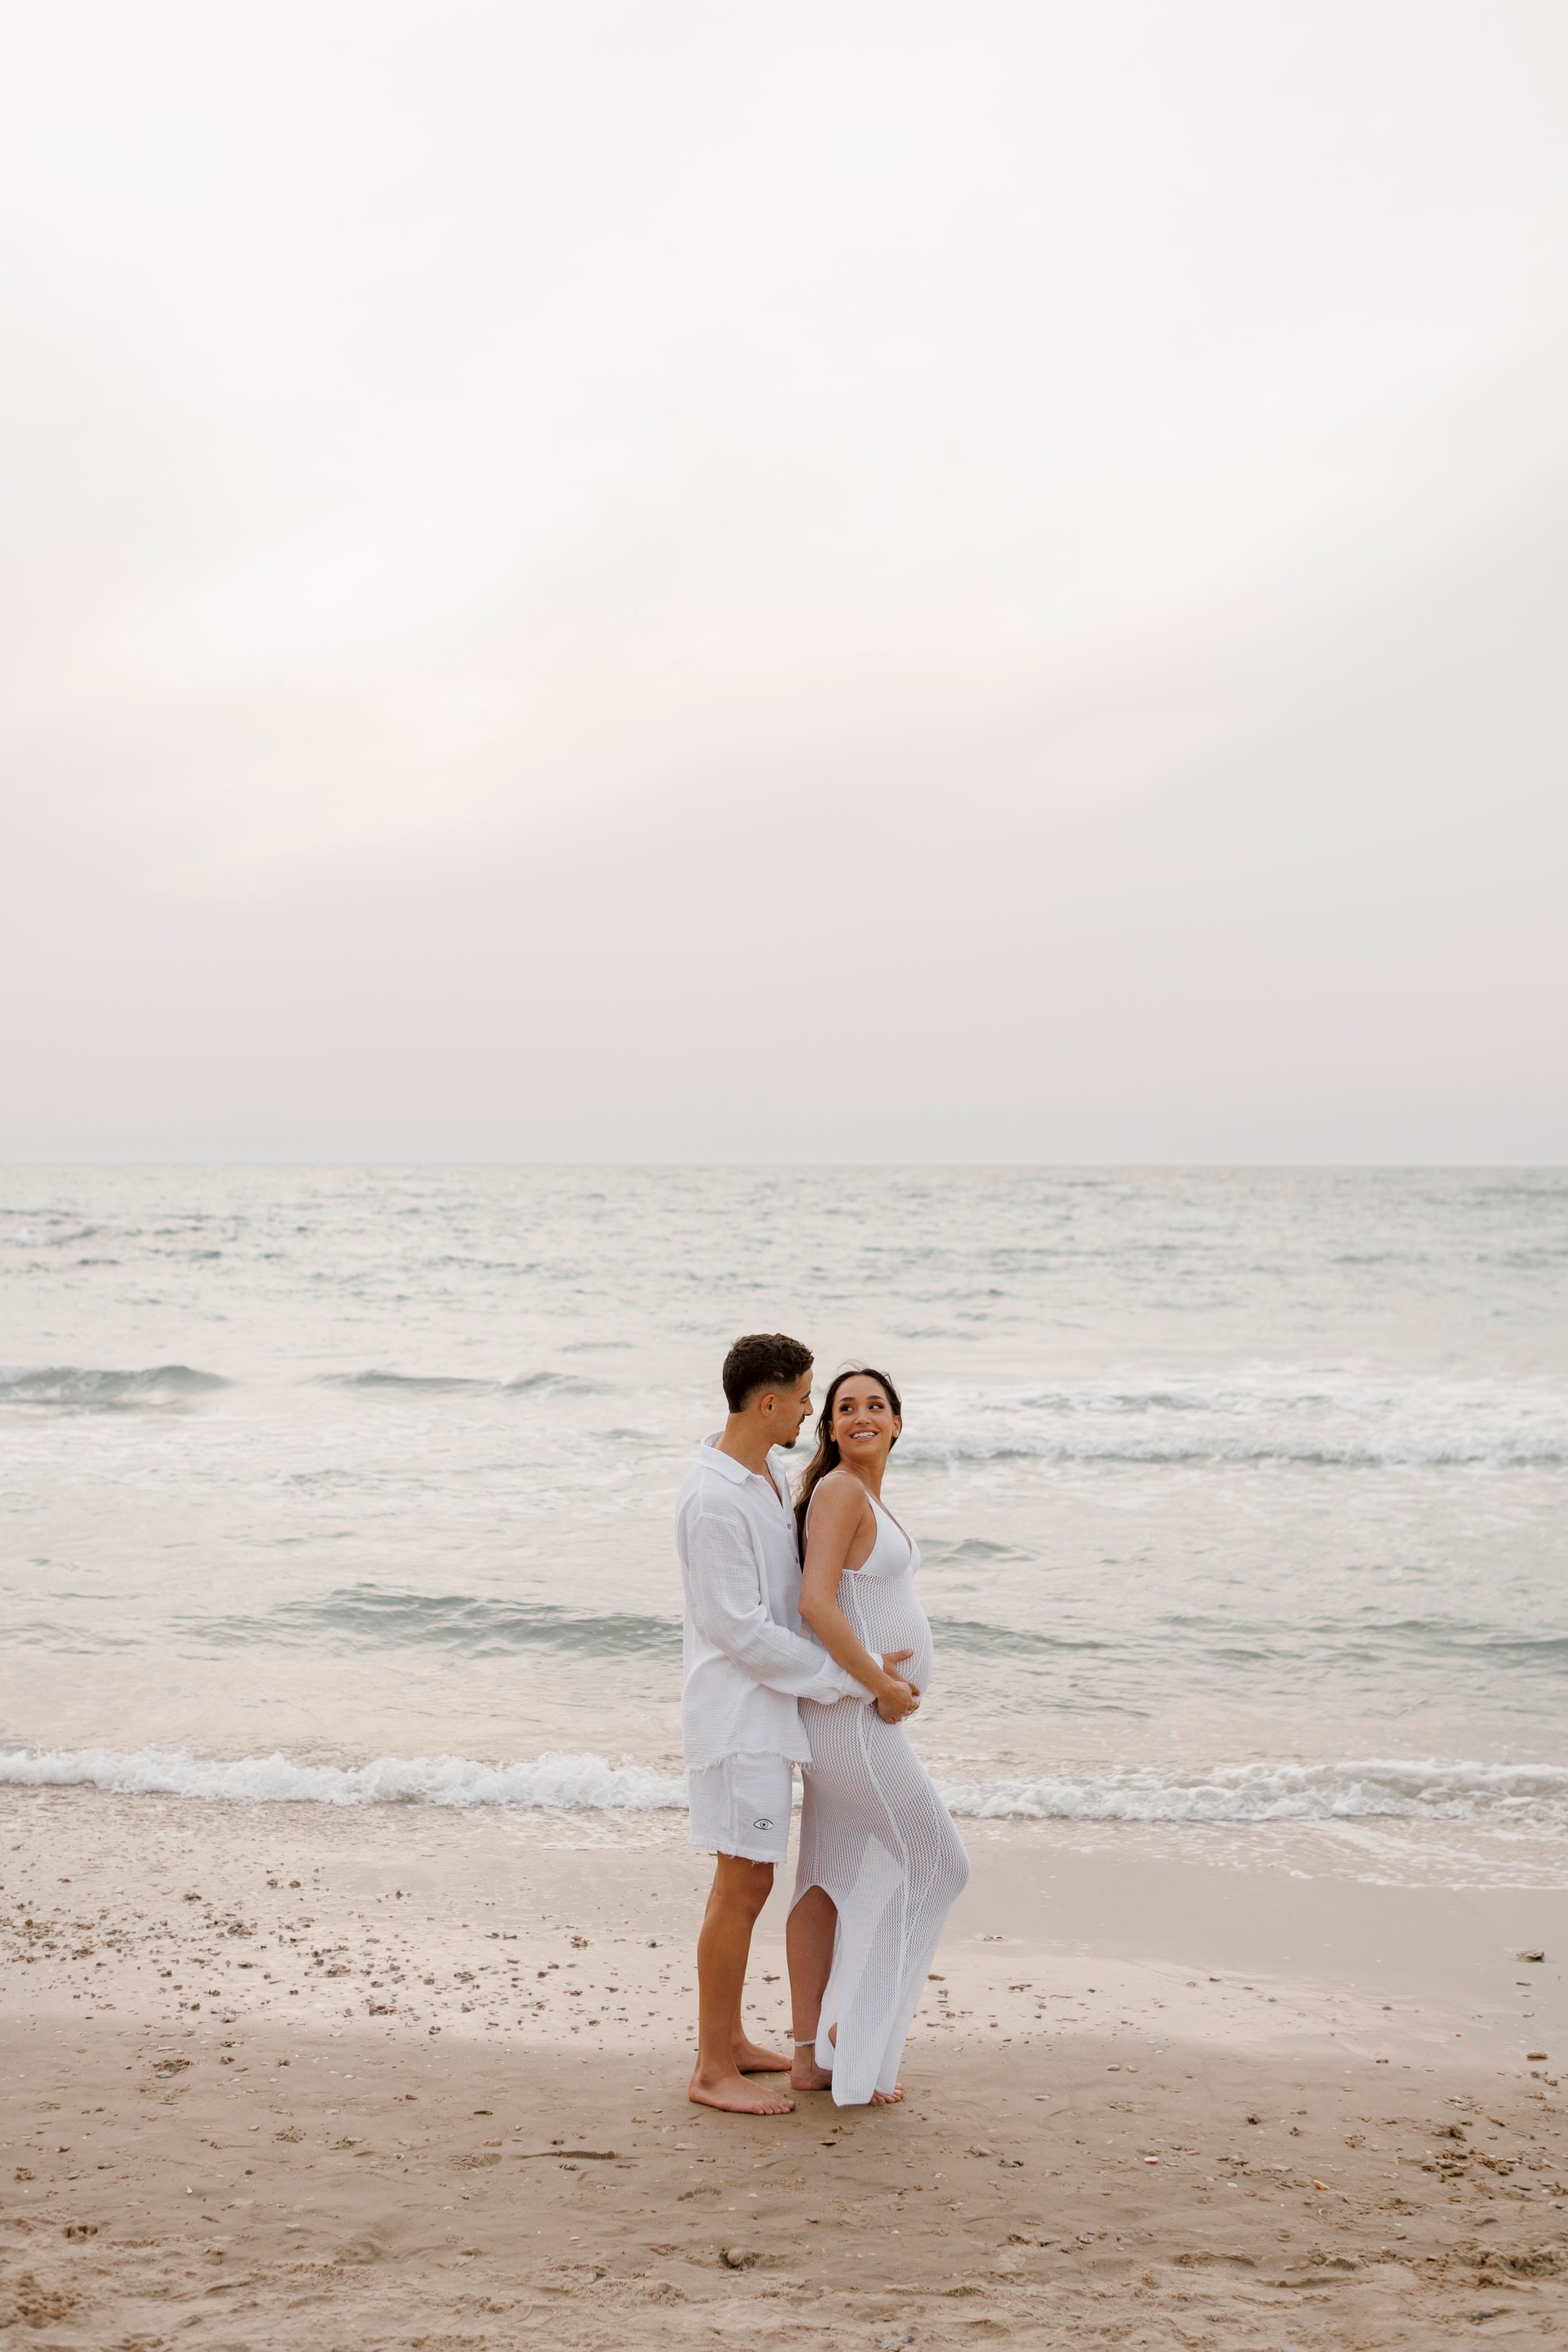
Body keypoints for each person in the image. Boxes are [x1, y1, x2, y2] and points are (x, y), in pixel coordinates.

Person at [676, 1333, 922, 2116]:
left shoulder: (765, 1478)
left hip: (773, 1714)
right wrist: (855, 1680)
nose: (811, 1412)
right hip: (738, 1719)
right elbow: (740, 1631)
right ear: (769, 1403)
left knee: (749, 1878)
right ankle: (711, 2069)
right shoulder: (713, 1499)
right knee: (743, 1882)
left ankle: (732, 2041)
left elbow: (793, 1601)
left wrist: (861, 1664)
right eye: (807, 1397)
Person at [786, 1365, 970, 2106]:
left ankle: (810, 2058)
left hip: (847, 1714)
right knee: (940, 1864)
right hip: (853, 1717)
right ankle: (852, 2034)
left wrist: (877, 1682)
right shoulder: (839, 1491)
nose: (860, 1415)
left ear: (898, 1422)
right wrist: (879, 1684)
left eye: (875, 1405)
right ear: (830, 1428)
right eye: (845, 1407)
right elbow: (815, 1603)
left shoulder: (864, 1495)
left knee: (826, 1874)